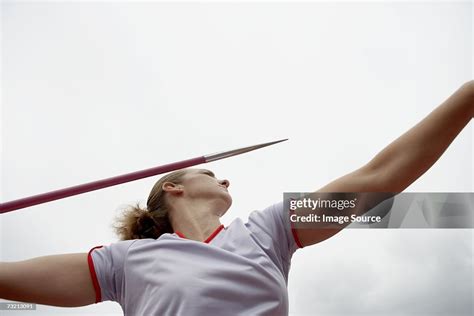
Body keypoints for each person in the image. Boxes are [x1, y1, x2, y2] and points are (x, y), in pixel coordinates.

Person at [0, 81, 472, 315]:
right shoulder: (124, 263)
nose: (225, 182)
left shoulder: (268, 231)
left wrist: (470, 93)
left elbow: (380, 176)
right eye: (211, 173)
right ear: (173, 186)